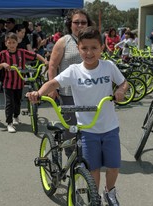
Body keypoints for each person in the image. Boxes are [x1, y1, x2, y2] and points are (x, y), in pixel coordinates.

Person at [26, 26, 129, 206]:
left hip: (109, 127)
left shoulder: (108, 66)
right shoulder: (74, 70)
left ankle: (110, 192)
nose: (89, 53)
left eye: (94, 48)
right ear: (79, 49)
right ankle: (94, 198)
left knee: (113, 167)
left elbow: (123, 82)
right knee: (93, 169)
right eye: (85, 48)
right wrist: (38, 93)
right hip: (87, 129)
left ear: (101, 48)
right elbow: (53, 83)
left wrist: (121, 90)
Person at [48, 8, 93, 156]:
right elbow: (53, 66)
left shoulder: (91, 41)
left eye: (83, 22)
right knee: (71, 129)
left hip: (89, 92)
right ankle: (71, 158)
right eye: (76, 22)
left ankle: (84, 155)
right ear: (70, 24)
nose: (80, 25)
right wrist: (52, 89)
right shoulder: (63, 42)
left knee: (88, 127)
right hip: (68, 93)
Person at [0, 32, 46, 133]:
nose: (11, 45)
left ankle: (16, 116)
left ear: (17, 43)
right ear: (6, 43)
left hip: (19, 83)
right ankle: (9, 123)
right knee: (10, 103)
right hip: (8, 83)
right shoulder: (3, 54)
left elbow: (35, 55)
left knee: (17, 102)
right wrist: (3, 64)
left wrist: (45, 61)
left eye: (13, 42)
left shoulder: (22, 52)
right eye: (9, 43)